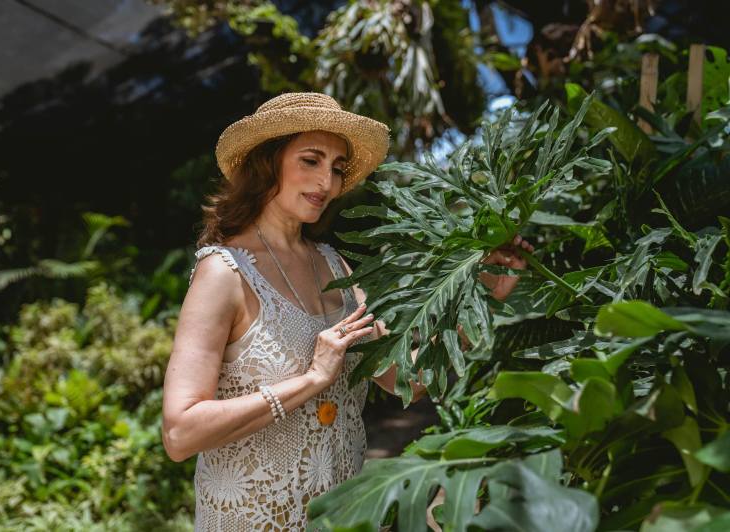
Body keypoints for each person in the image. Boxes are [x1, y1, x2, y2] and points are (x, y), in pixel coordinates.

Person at [161, 92, 533, 531]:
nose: (328, 184)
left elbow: (405, 381)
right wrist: (313, 380)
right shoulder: (224, 272)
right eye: (311, 160)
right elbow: (181, 433)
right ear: (268, 162)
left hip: (341, 517)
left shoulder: (334, 265)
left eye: (337, 168)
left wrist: (485, 297)